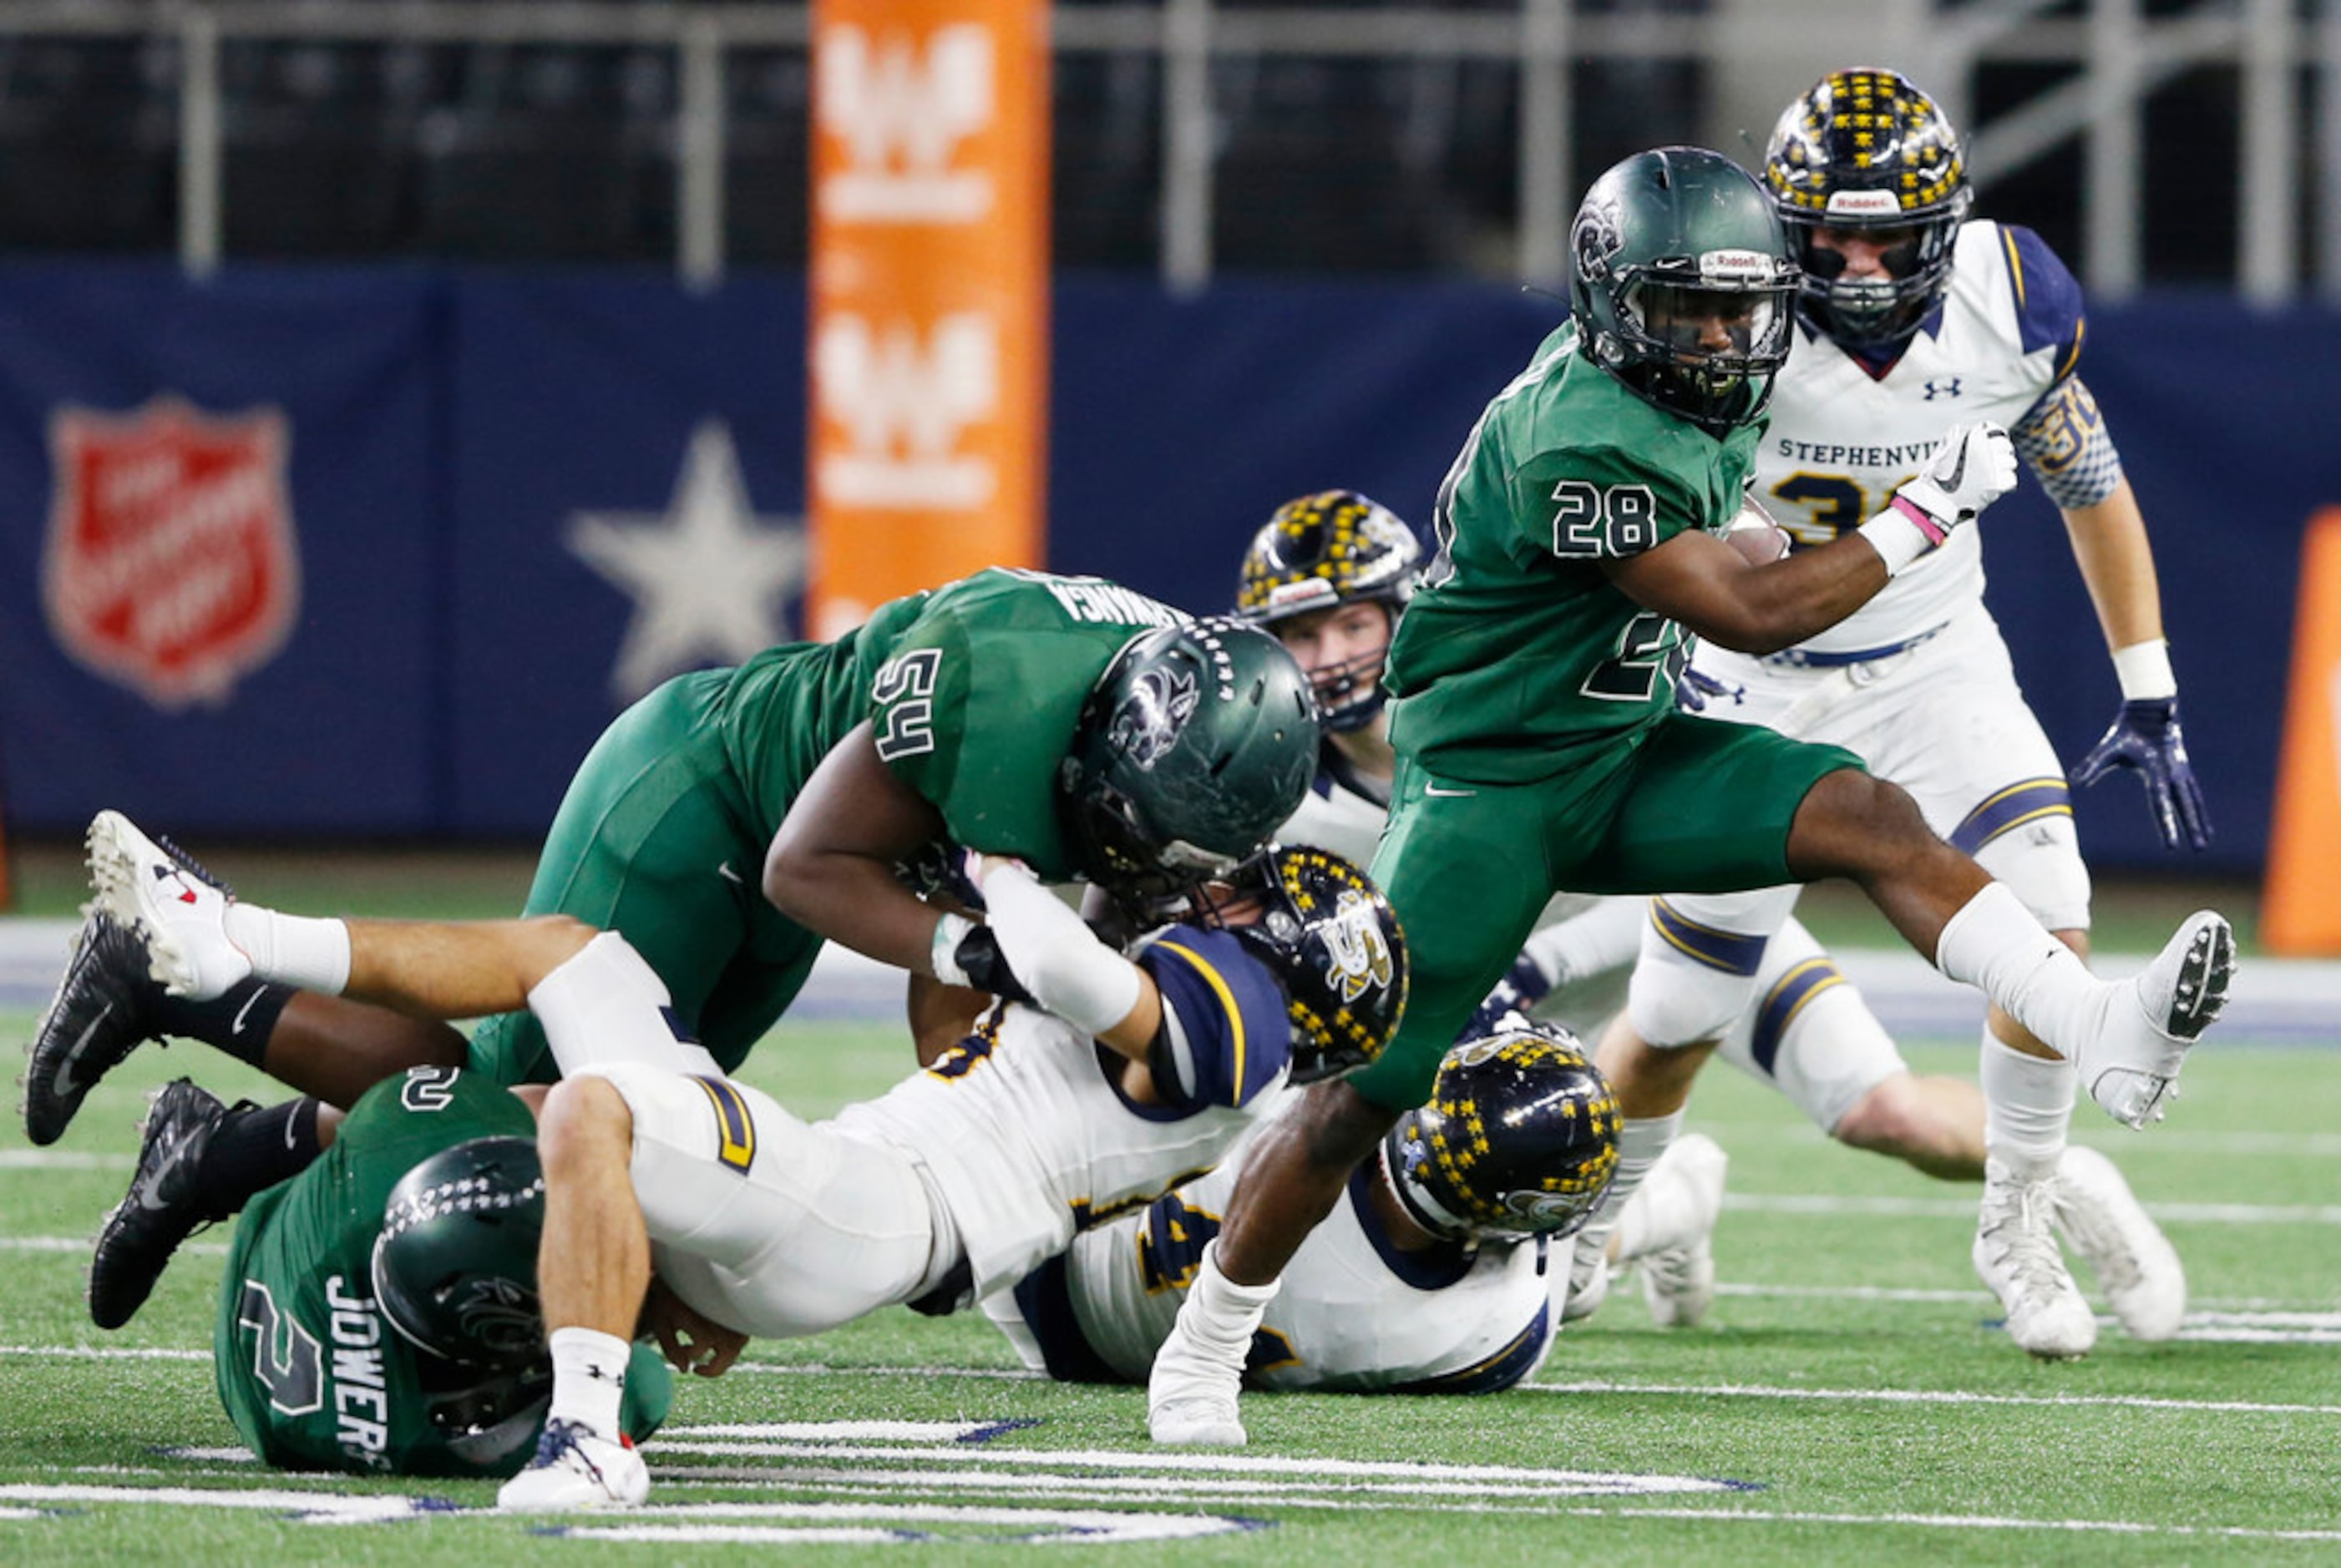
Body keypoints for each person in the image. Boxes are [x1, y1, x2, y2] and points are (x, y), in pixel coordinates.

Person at [1143, 144, 2233, 1447]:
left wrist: (1777, 528)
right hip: (1496, 779)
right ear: (1610, 303)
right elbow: (1746, 614)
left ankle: (2096, 1025)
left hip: (1622, 739)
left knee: (1868, 815)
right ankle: (1200, 1347)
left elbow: (1732, 546)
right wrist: (1923, 513)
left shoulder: (1705, 381)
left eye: (1736, 306)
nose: (1718, 337)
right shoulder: (1579, 427)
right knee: (1363, 1092)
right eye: (1683, 309)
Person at [87, 805, 1411, 1510]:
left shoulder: (1235, 1049)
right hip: (845, 1187)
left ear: (1289, 969)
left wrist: (997, 855)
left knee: (587, 1113)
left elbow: (1063, 962)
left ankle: (586, 1436)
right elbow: (992, 1003)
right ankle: (231, 941)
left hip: (877, 1215)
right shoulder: (1214, 1034)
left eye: (1242, 906)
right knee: (566, 961)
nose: (1210, 900)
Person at [1583, 68, 2210, 1360]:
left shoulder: (2008, 307)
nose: (1857, 265)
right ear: (1779, 221)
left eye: (1886, 236)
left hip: (1932, 661)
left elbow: (2086, 481)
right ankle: (1586, 1214)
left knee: (2049, 917)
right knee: (1673, 1020)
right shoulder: (1724, 302)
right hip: (1751, 680)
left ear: (1947, 225)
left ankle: (2014, 1214)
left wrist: (2145, 681)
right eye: (1827, 234)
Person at [1235, 488, 2182, 1337]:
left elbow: (1645, 863)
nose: (1327, 659)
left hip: (1669, 929)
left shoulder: (1505, 708)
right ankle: (1666, 1209)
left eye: (1349, 625)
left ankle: (2054, 1169)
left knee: (1891, 1116)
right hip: (1519, 1023)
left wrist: (1531, 972)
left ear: (1407, 609)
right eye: (1302, 637)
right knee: (1492, 1213)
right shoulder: (1281, 797)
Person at [23, 572, 1319, 1136]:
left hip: (791, 875)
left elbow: (966, 943)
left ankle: (213, 1147)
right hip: (701, 808)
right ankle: (186, 978)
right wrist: (977, 955)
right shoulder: (997, 687)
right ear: (1108, 736)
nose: (1131, 864)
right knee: (510, 1107)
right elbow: (814, 868)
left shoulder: (1174, 719)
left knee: (659, 1132)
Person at [990, 1018, 1728, 1393]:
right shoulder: (1483, 1338)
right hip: (1073, 1335)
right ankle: (1684, 1202)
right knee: (1573, 1278)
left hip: (1025, 1232)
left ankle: (1681, 1204)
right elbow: (1537, 1261)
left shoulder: (1306, 1086)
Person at [93, 1065, 672, 1477]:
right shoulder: (484, 1437)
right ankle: (221, 1155)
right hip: (278, 1347)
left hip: (291, 1252)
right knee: (560, 1101)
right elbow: (641, 1380)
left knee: (433, 1079)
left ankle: (216, 1155)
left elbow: (418, 1093)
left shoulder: (389, 1169)